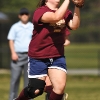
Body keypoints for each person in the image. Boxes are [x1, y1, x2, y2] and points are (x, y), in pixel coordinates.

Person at [14, 0, 80, 100]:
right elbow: (55, 17)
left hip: (57, 55)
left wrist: (77, 6)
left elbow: (74, 26)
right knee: (35, 90)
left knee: (59, 88)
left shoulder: (65, 12)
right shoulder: (40, 12)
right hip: (39, 56)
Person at [7, 8, 33, 100]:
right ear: (19, 16)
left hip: (30, 56)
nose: (24, 15)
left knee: (29, 81)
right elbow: (11, 40)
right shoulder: (15, 27)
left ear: (28, 15)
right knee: (15, 79)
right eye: (22, 14)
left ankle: (28, 98)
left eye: (26, 14)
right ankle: (12, 98)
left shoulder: (32, 26)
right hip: (17, 55)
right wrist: (13, 53)